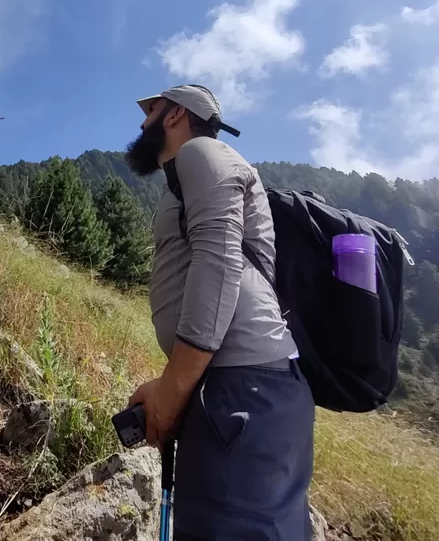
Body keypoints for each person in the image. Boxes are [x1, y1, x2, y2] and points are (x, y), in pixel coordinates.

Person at [124, 84, 315, 540]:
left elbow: (220, 260)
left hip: (241, 394)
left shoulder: (203, 154)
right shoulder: (186, 176)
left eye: (150, 111)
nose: (141, 122)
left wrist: (173, 387)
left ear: (175, 115)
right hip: (240, 390)